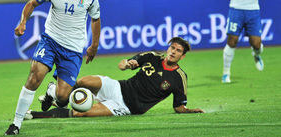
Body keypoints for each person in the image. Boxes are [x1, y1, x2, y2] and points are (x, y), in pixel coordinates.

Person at [4, 0, 101, 135]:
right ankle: (16, 124)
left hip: (73, 50)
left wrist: (94, 45)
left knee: (63, 96)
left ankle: (51, 92)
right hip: (50, 41)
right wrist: (23, 23)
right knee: (34, 77)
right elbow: (32, 3)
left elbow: (95, 19)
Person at [24, 37, 204, 120]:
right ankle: (55, 94)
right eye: (172, 47)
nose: (173, 52)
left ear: (183, 56)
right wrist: (127, 64)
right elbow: (123, 64)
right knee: (84, 81)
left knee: (81, 113)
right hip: (118, 87)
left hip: (126, 107)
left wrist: (189, 111)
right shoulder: (152, 56)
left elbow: (178, 107)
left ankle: (33, 115)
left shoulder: (180, 78)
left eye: (178, 50)